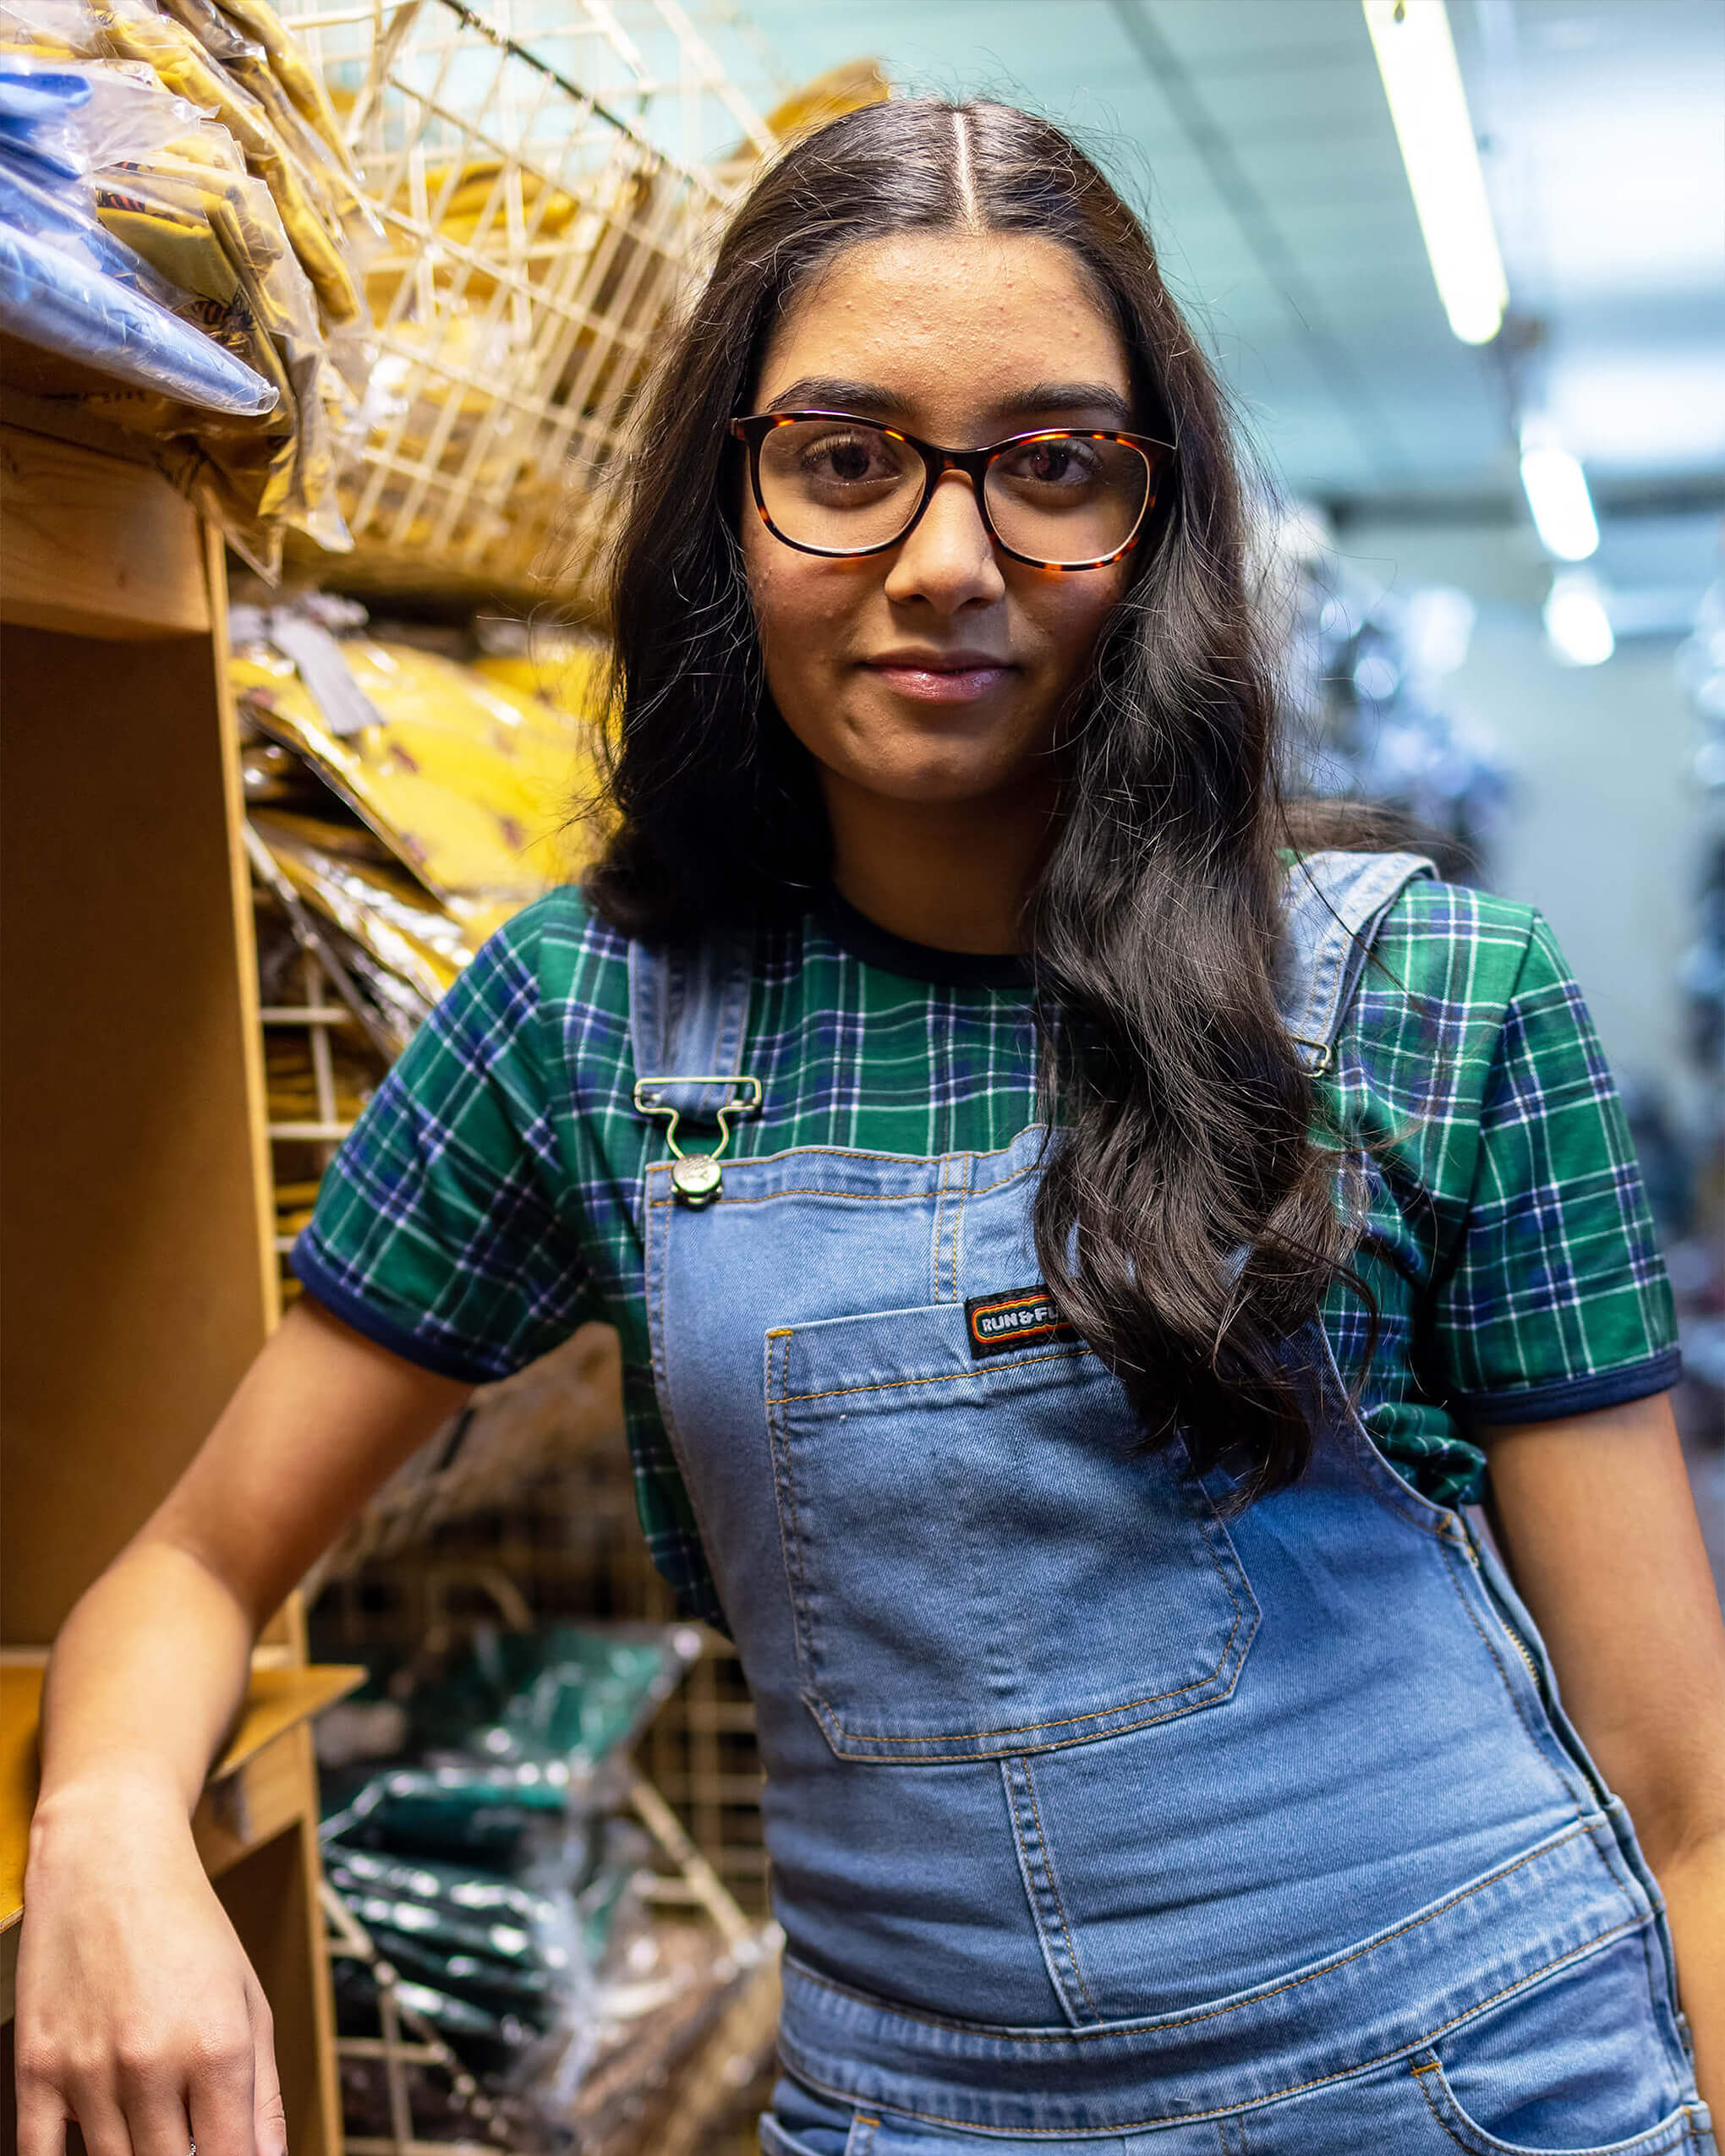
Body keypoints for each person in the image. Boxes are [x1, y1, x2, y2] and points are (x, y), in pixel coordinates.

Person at [17, 97, 1725, 2156]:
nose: (944, 564)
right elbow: (191, 1565)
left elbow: (1679, 1787)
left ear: (1151, 516)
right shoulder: (582, 1027)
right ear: (726, 512)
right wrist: (113, 1831)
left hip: (1477, 2083)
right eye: (844, 462)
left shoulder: (1440, 996)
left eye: (1053, 468)